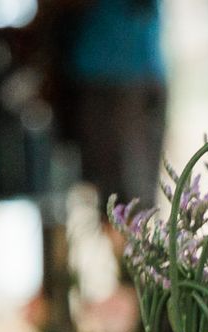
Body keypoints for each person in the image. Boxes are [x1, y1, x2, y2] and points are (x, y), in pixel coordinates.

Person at [63, 0, 167, 215]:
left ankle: (133, 243)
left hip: (112, 75)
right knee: (132, 191)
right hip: (140, 69)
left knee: (124, 194)